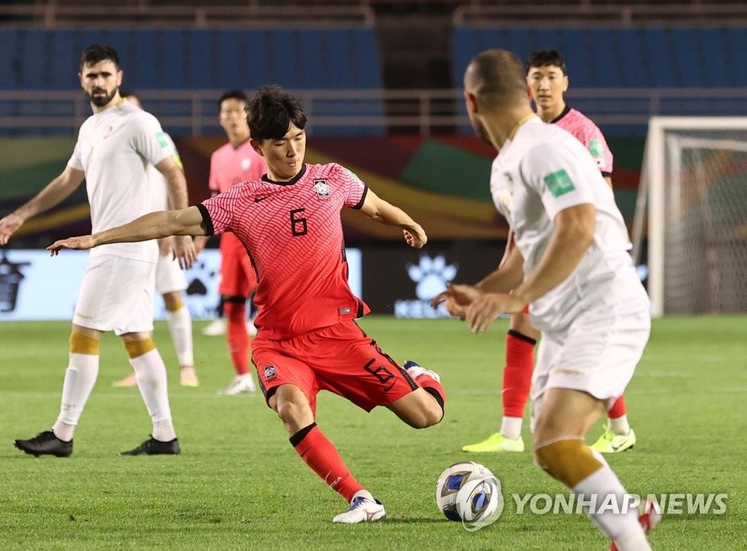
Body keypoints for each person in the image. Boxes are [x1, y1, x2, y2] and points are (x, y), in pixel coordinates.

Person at [47, 85, 446, 523]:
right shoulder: (241, 202)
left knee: (426, 415)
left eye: (298, 139)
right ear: (258, 146)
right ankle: (362, 499)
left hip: (338, 334)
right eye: (280, 143)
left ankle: (420, 375)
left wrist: (409, 222)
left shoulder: (333, 179)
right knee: (291, 409)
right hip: (279, 341)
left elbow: (374, 206)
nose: (292, 150)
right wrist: (97, 236)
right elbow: (170, 219)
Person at [433, 50, 659, 550]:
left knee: (557, 440)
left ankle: (630, 539)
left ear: (469, 101)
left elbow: (576, 226)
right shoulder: (508, 161)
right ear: (527, 90)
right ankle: (628, 518)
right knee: (549, 448)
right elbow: (522, 253)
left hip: (604, 306)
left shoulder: (544, 148)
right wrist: (486, 289)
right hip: (565, 318)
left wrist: (518, 299)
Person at [0, 44, 197, 457]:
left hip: (121, 246)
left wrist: (180, 228)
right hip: (116, 247)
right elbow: (68, 180)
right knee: (137, 338)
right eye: (91, 75)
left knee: (83, 333)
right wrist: (22, 215)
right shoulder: (91, 128)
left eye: (105, 74)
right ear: (81, 79)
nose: (98, 82)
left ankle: (62, 434)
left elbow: (173, 172)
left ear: (119, 77)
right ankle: (164, 435)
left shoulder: (138, 122)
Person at [461, 49, 636, 455]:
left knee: (558, 418)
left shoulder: (570, 136)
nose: (543, 84)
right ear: (525, 86)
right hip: (556, 270)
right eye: (536, 76)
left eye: (551, 76)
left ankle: (615, 429)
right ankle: (513, 433)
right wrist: (492, 285)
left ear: (564, 82)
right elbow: (526, 228)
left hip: (586, 274)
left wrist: (520, 291)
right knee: (552, 438)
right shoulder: (516, 147)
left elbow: (586, 213)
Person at [112, 91, 199, 389]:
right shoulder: (115, 143)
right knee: (135, 303)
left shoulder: (158, 138)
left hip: (161, 233)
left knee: (173, 296)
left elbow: (174, 179)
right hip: (130, 237)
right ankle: (141, 369)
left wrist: (173, 228)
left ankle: (187, 365)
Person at [196, 89, 265, 396]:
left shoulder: (262, 151)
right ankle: (242, 377)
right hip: (230, 242)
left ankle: (281, 370)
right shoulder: (218, 157)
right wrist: (200, 236)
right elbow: (214, 202)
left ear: (248, 115)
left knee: (269, 307)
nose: (232, 116)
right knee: (233, 308)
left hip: (260, 241)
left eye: (238, 110)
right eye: (227, 111)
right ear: (220, 117)